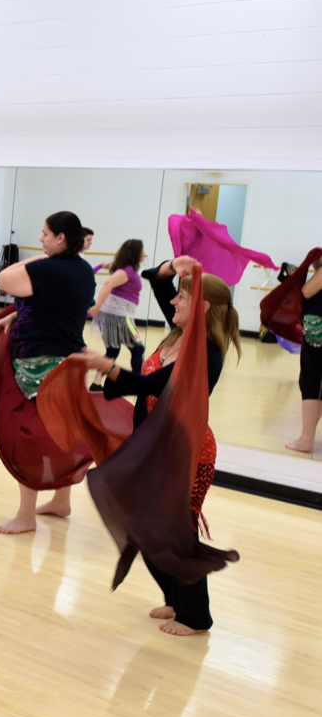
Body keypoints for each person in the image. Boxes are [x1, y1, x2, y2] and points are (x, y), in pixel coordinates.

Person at [73, 257, 240, 635]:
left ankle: (196, 617)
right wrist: (173, 266)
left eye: (182, 298)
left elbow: (152, 386)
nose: (173, 303)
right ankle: (174, 598)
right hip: (155, 446)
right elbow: (155, 280)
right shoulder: (180, 333)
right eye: (176, 297)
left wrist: (107, 366)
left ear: (202, 308)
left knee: (177, 532)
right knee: (146, 527)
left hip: (184, 451)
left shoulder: (205, 353)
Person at [0, 211, 95, 534]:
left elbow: (3, 278)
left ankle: (26, 515)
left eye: (45, 234)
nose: (41, 239)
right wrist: (12, 318)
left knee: (29, 437)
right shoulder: (84, 270)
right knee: (62, 433)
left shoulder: (48, 269)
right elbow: (52, 306)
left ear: (61, 238)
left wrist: (39, 258)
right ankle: (61, 501)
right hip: (72, 362)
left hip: (41, 365)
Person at [87, 239, 147, 391]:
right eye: (142, 251)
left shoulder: (124, 269)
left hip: (112, 316)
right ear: (135, 253)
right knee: (138, 347)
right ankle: (138, 382)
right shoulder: (125, 271)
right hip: (119, 317)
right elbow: (107, 285)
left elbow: (109, 267)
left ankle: (96, 382)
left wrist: (103, 265)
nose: (144, 254)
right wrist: (95, 308)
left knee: (113, 350)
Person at [287, 261, 322, 453]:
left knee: (311, 379)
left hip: (318, 326)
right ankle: (307, 436)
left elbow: (308, 291)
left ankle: (306, 438)